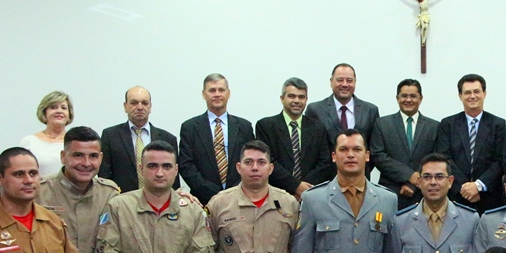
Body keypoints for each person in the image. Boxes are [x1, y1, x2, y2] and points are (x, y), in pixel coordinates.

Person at [287, 129, 398, 253]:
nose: (350, 155)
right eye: (344, 149)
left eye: (357, 149)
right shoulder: (314, 199)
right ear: (333, 156)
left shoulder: (387, 199)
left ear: (367, 156)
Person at [388, 153, 479, 253]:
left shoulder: (470, 220)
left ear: (450, 181)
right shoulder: (401, 222)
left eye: (439, 177)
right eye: (427, 177)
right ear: (419, 181)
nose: (433, 183)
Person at [178, 73, 256, 204]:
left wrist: (235, 191)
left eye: (221, 90)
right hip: (202, 199)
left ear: (228, 93)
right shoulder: (190, 127)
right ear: (204, 94)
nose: (217, 94)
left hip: (241, 197)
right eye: (212, 90)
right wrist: (213, 192)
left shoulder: (244, 126)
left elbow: (251, 161)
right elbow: (186, 165)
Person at [435, 74, 506, 213]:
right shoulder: (448, 124)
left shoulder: (498, 124)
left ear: (484, 94)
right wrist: (465, 188)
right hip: (456, 196)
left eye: (476, 91)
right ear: (460, 96)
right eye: (467, 92)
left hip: (489, 197)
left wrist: (478, 186)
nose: (472, 96)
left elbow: (500, 161)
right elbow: (444, 158)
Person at [255, 77, 335, 200]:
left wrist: (304, 189)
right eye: (291, 96)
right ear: (282, 99)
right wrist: (295, 186)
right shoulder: (265, 126)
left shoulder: (318, 127)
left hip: (311, 195)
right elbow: (268, 161)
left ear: (306, 100)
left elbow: (324, 162)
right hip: (276, 195)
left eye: (301, 97)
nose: (297, 101)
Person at [370, 79, 440, 209]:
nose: (408, 100)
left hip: (423, 194)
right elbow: (378, 156)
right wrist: (409, 175)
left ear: (421, 98)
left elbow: (436, 158)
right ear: (397, 98)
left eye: (413, 96)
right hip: (390, 192)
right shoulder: (382, 124)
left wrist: (414, 184)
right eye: (404, 96)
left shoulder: (434, 127)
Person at [99, 85, 180, 192]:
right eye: (134, 103)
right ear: (125, 106)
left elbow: (173, 178)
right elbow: (104, 175)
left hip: (159, 201)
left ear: (150, 106)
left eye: (145, 103)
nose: (140, 107)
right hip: (122, 201)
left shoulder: (168, 138)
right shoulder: (110, 136)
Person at [305, 63, 381, 161]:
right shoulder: (315, 110)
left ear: (355, 82)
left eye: (349, 80)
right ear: (331, 81)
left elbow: (374, 149)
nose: (345, 84)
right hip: (326, 174)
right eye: (340, 80)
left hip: (360, 173)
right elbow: (311, 149)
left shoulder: (370, 110)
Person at [20, 90, 74, 176]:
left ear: (69, 114)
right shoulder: (29, 142)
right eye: (53, 107)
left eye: (63, 108)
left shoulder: (75, 142)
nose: (59, 111)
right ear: (44, 113)